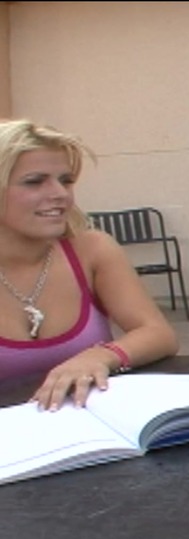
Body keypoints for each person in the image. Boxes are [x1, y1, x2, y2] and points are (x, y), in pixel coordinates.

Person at [0, 119, 178, 410]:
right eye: (34, 181)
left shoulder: (92, 250)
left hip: (93, 427)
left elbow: (159, 334)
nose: (60, 194)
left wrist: (101, 356)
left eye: (65, 180)